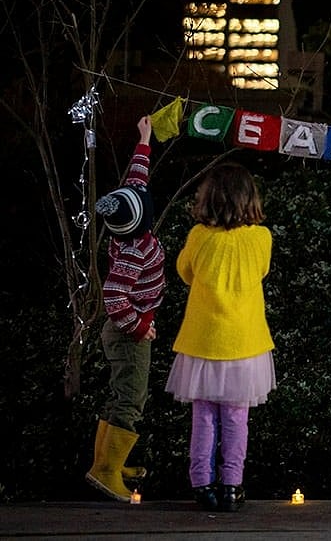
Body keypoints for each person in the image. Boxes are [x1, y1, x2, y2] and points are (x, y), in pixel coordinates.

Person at [165, 162, 276, 512]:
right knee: (236, 417)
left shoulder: (199, 237)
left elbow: (184, 271)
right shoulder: (261, 238)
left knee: (204, 416)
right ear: (249, 200)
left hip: (202, 344)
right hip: (245, 345)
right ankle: (231, 486)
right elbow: (262, 270)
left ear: (208, 199)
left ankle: (202, 484)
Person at [86, 115, 166, 502]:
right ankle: (105, 470)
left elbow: (138, 179)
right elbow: (114, 294)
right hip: (127, 332)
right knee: (131, 398)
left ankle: (110, 462)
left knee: (121, 394)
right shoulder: (134, 250)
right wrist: (137, 327)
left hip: (124, 328)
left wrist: (144, 139)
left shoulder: (129, 220)